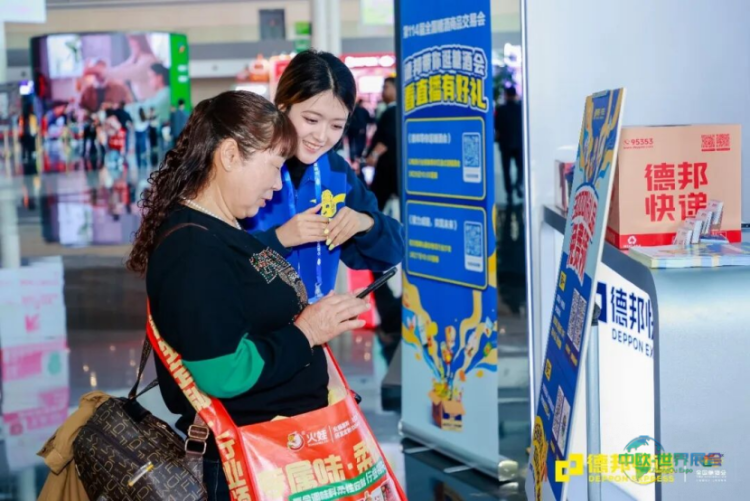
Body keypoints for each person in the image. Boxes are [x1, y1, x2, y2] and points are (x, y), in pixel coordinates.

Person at [127, 91, 372, 501]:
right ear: (229, 155)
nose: (277, 185)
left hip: (278, 448)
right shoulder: (193, 248)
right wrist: (307, 332)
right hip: (247, 462)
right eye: (274, 166)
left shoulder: (219, 229)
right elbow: (223, 373)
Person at [246, 50, 404, 305]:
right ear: (282, 107)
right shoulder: (247, 165)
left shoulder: (336, 171)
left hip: (316, 322)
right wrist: (279, 239)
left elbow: (393, 251)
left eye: (336, 126)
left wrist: (365, 223)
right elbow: (219, 264)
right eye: (311, 119)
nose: (321, 136)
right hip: (252, 325)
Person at [105, 34, 160, 101]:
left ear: (139, 42)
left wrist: (104, 72)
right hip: (143, 100)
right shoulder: (135, 59)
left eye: (132, 41)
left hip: (151, 100)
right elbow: (122, 67)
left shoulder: (148, 60)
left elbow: (128, 73)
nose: (130, 44)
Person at [495, 86, 523, 205]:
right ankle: (518, 183)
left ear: (506, 95)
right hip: (519, 143)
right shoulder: (520, 108)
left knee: (506, 170)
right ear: (515, 95)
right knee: (521, 167)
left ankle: (509, 193)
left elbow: (497, 126)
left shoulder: (500, 109)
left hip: (505, 144)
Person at [347, 99, 371, 164]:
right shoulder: (364, 111)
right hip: (360, 130)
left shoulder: (352, 110)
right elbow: (370, 120)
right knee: (360, 143)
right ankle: (358, 157)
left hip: (351, 129)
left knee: (351, 143)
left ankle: (352, 158)